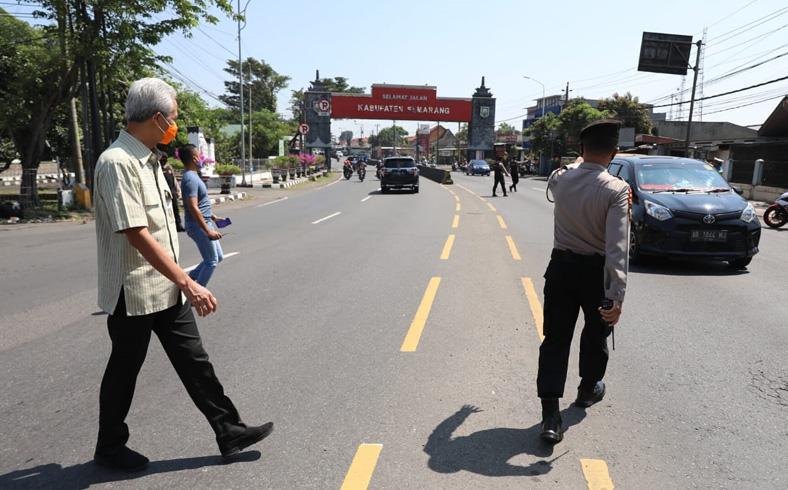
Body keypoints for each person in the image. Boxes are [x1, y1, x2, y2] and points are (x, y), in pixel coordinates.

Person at [92, 77, 272, 472]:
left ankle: (229, 430)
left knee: (195, 361)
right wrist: (189, 281)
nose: (175, 123)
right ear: (157, 118)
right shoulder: (118, 162)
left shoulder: (151, 160)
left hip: (165, 287)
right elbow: (136, 233)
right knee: (124, 370)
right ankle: (109, 446)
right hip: (134, 291)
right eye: (173, 117)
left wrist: (179, 283)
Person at [537, 119, 630, 444]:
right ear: (614, 153)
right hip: (596, 274)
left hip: (561, 269)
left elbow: (566, 169)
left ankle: (550, 416)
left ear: (580, 149)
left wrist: (579, 161)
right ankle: (588, 389)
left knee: (555, 339)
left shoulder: (560, 179)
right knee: (596, 332)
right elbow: (618, 248)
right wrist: (617, 295)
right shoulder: (617, 190)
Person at [180, 144, 225, 286]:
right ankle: (196, 293)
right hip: (198, 226)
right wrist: (207, 230)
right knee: (211, 261)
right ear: (194, 159)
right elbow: (192, 206)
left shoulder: (193, 176)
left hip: (205, 223)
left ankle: (188, 282)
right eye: (199, 156)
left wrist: (212, 216)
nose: (201, 159)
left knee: (218, 257)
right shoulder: (190, 178)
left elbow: (200, 204)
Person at [158, 152, 185, 232]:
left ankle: (178, 225)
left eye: (165, 160)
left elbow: (174, 179)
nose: (163, 161)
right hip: (163, 193)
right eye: (162, 160)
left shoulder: (169, 168)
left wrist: (178, 190)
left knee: (175, 209)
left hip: (172, 192)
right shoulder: (157, 168)